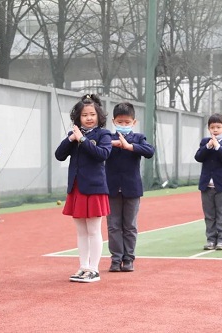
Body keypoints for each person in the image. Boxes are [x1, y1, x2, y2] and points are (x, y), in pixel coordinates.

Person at [55, 94, 112, 283]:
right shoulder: (75, 135)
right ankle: (83, 266)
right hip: (77, 188)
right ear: (78, 118)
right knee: (81, 231)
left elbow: (102, 154)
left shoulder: (103, 134)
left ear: (98, 116)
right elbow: (59, 155)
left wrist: (83, 141)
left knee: (94, 230)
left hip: (95, 188)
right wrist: (71, 139)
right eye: (84, 115)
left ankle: (94, 269)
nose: (88, 118)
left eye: (92, 114)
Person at [105, 102, 155, 272]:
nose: (123, 125)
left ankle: (128, 259)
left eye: (127, 122)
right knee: (113, 226)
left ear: (134, 122)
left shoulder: (138, 138)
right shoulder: (107, 138)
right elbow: (96, 149)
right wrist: (112, 144)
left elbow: (149, 151)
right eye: (120, 122)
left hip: (132, 189)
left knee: (130, 225)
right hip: (111, 189)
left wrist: (129, 146)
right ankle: (115, 259)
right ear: (113, 121)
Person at [195, 113, 222, 250]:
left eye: (218, 127)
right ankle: (211, 239)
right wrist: (207, 147)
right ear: (208, 128)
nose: (215, 130)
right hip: (207, 185)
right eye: (212, 127)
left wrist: (218, 147)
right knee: (209, 214)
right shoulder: (204, 142)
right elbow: (198, 157)